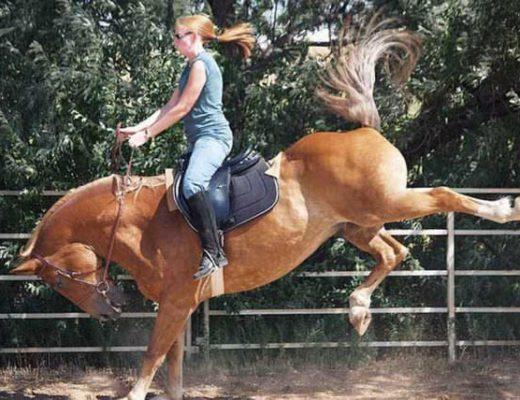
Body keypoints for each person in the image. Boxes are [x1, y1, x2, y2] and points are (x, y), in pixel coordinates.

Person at [118, 15, 254, 280]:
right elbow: (168, 108)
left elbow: (182, 109)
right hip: (200, 140)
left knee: (192, 184)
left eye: (178, 36)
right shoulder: (188, 67)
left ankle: (214, 253)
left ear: (193, 36)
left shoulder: (203, 65)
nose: (174, 41)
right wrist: (136, 129)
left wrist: (147, 136)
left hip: (214, 138)